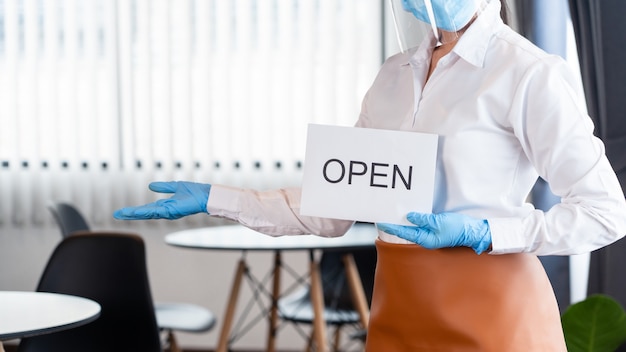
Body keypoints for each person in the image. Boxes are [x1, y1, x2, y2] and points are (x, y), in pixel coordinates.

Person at [114, 0, 626, 350]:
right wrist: (216, 198)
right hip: (399, 307)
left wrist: (486, 232)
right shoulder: (392, 77)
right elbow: (332, 211)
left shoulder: (529, 73)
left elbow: (606, 213)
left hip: (496, 309)